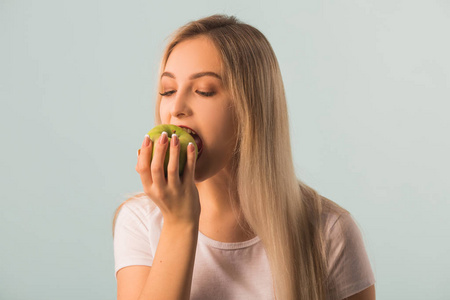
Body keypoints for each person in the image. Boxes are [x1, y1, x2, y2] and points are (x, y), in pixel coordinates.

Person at [112, 14, 376, 300]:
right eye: (168, 90)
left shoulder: (329, 232)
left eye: (204, 91)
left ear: (251, 108)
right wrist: (179, 223)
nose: (176, 108)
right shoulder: (140, 221)